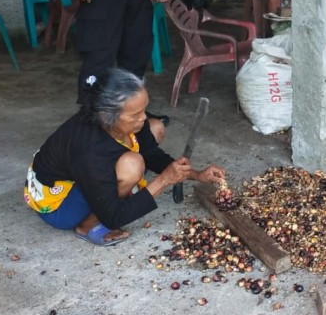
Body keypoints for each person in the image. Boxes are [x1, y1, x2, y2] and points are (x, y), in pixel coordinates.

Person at [24, 69, 226, 246]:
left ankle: (122, 181)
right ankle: (87, 227)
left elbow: (151, 153)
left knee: (156, 127)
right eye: (135, 114)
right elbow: (114, 216)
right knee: (132, 165)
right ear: (106, 116)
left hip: (86, 175)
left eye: (143, 109)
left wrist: (196, 174)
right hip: (58, 205)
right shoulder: (90, 150)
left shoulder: (124, 120)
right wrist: (164, 180)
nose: (143, 117)